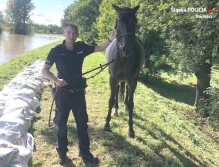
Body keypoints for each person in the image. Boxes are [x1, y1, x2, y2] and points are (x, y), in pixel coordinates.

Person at [42, 22, 117, 165]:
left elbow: (99, 48)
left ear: (77, 35)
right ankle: (62, 153)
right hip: (63, 94)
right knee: (61, 124)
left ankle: (84, 151)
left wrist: (111, 38)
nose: (72, 36)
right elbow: (45, 70)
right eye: (69, 32)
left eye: (74, 33)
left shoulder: (81, 47)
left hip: (78, 94)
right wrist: (56, 80)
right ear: (63, 33)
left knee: (82, 124)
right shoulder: (56, 50)